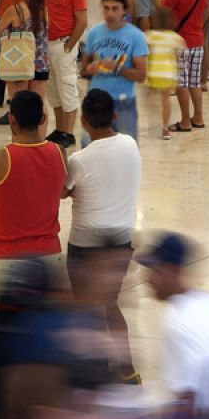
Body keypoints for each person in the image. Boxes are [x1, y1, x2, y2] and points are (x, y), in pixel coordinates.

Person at [66, 89, 142, 375]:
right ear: (113, 116)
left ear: (83, 121)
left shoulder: (79, 160)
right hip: (121, 240)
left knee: (86, 311)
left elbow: (64, 191)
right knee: (110, 305)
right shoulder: (130, 144)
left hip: (85, 245)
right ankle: (127, 370)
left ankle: (92, 374)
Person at [138, 232, 209, 419]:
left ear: (174, 271)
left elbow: (188, 399)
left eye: (156, 271)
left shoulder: (175, 320)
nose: (147, 279)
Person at [0, 90, 66, 282]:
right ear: (43, 119)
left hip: (8, 258)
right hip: (50, 254)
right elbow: (61, 189)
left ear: (11, 120)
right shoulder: (59, 152)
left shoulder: (0, 158)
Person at [80, 0, 150, 141]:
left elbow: (141, 75)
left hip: (123, 102)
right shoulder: (94, 33)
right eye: (106, 8)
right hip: (96, 103)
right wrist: (89, 69)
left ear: (124, 10)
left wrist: (117, 68)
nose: (110, 14)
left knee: (126, 146)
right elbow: (83, 69)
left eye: (115, 9)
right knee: (89, 145)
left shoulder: (136, 36)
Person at [43, 0, 88, 147]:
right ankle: (60, 129)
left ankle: (68, 132)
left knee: (67, 87)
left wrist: (70, 44)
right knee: (54, 90)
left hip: (63, 44)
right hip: (47, 43)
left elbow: (82, 21)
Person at [160, 0, 208, 131]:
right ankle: (199, 117)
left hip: (181, 42)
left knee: (182, 83)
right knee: (195, 82)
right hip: (198, 41)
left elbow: (164, 13)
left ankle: (185, 120)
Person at [145, 5, 186, 140]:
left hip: (154, 72)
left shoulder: (150, 35)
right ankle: (165, 128)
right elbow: (181, 52)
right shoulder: (175, 37)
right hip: (168, 73)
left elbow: (144, 51)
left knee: (150, 94)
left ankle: (150, 93)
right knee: (165, 99)